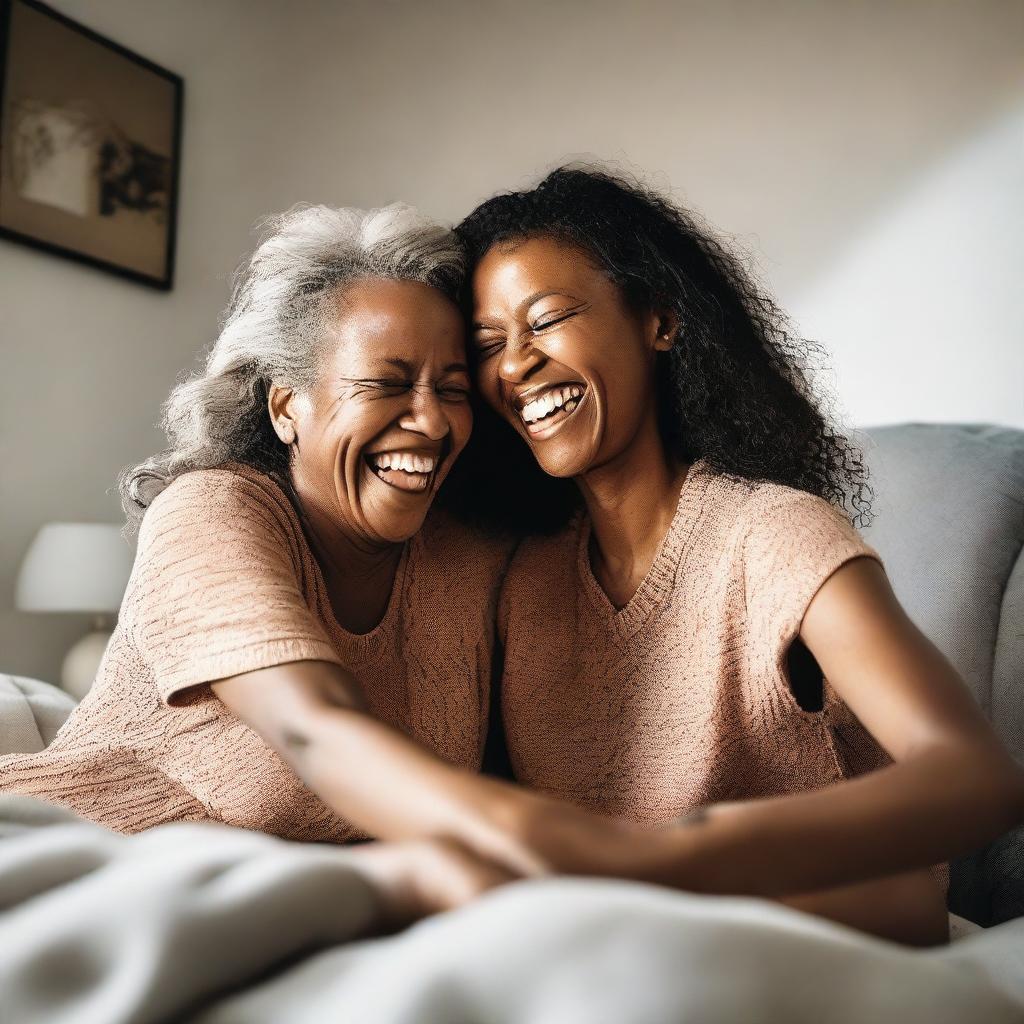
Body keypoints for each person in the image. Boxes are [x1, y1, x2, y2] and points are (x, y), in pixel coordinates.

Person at [448, 166, 1024, 946]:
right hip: (606, 946)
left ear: (660, 320)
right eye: (488, 344)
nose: (515, 364)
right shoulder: (521, 580)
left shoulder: (775, 535)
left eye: (548, 319)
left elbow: (975, 778)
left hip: (821, 937)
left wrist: (675, 854)